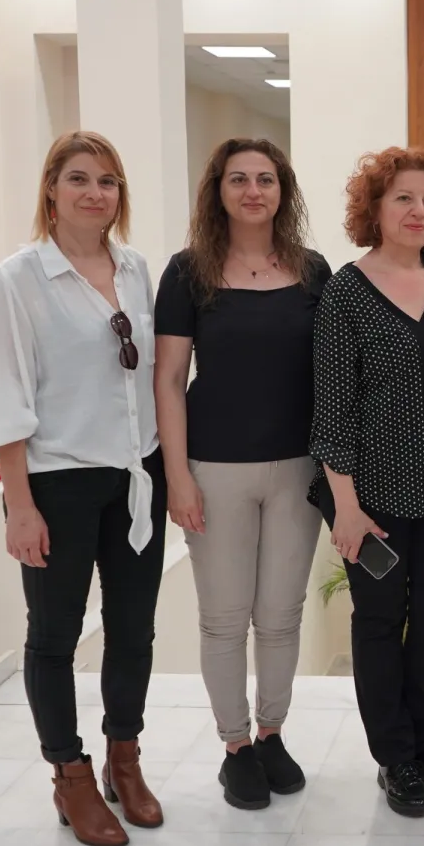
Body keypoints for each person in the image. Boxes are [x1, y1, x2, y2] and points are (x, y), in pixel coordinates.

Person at [0, 130, 167, 846]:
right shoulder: (18, 279)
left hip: (136, 475)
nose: (95, 192)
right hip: (57, 480)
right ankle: (71, 775)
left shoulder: (136, 269)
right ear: (51, 190)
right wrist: (19, 505)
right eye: (79, 178)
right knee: (55, 636)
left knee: (134, 629)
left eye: (108, 181)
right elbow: (4, 396)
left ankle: (125, 757)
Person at [308, 146, 424, 818]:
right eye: (403, 198)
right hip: (375, 501)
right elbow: (332, 412)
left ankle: (423, 738)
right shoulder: (345, 293)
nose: (418, 211)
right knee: (381, 623)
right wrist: (346, 508)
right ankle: (394, 756)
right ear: (376, 208)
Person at [154, 138, 331, 811]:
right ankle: (235, 747)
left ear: (283, 190)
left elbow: (334, 374)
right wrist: (178, 475)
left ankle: (271, 733)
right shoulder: (187, 272)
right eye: (239, 179)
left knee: (281, 616)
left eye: (265, 179)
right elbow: (169, 380)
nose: (253, 191)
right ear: (218, 191)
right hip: (214, 469)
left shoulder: (312, 271)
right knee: (225, 619)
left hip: (298, 470)